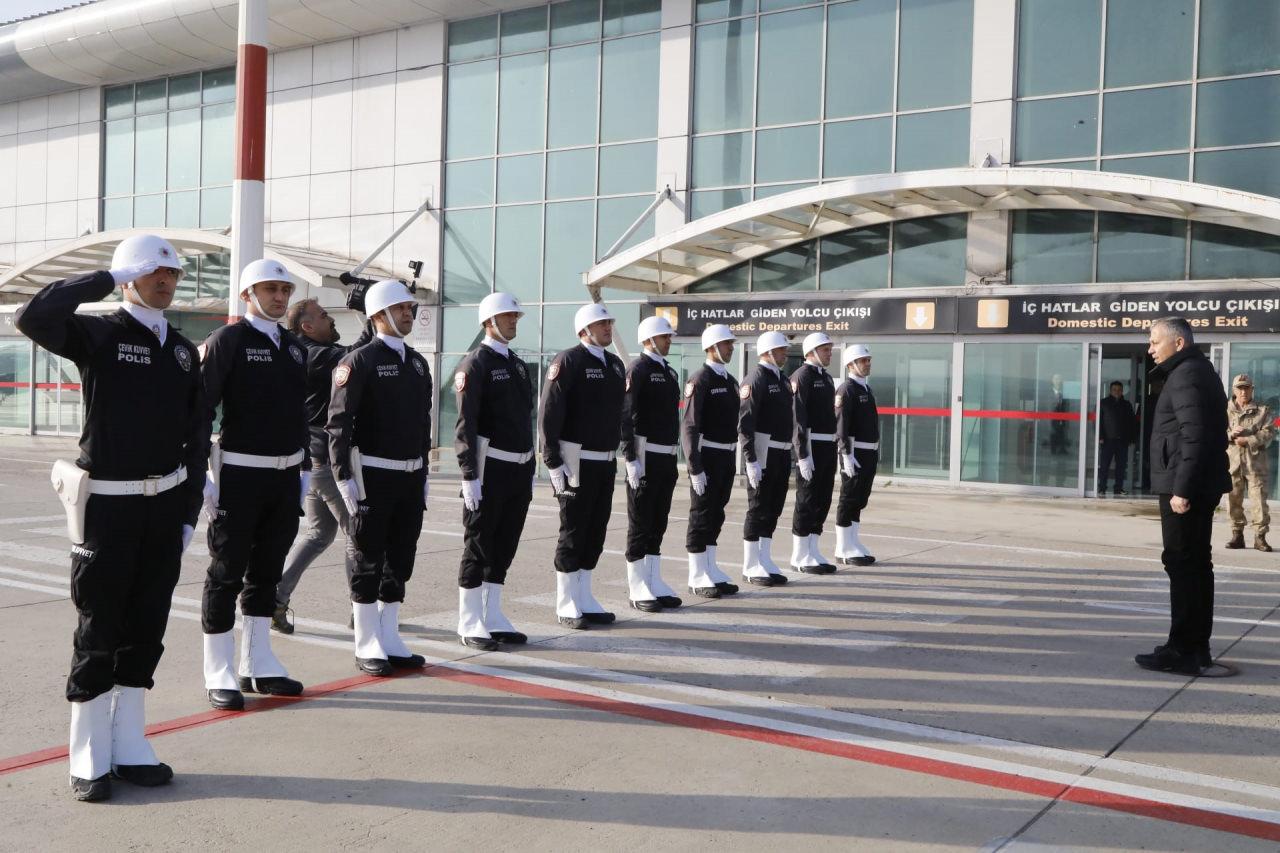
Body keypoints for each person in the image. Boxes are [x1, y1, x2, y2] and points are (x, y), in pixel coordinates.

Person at [16, 234, 204, 801]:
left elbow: (195, 436)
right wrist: (102, 276)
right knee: (100, 625)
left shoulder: (182, 349)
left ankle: (130, 745)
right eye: (152, 272)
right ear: (130, 277)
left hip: (164, 504)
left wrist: (188, 508)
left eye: (171, 273)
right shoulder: (100, 333)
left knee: (146, 626)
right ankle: (89, 754)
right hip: (109, 503)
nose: (165, 281)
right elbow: (34, 316)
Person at [199, 259, 309, 710]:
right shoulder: (228, 340)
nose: (280, 298)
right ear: (248, 295)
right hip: (239, 473)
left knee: (266, 570)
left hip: (285, 476)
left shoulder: (294, 347)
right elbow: (201, 408)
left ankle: (257, 660)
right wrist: (204, 474)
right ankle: (218, 668)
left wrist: (302, 470)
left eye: (284, 290)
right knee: (226, 572)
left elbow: (299, 413)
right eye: (270, 290)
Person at [328, 280, 432, 675]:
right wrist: (342, 475)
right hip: (372, 475)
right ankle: (367, 640)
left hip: (409, 477)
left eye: (410, 308)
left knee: (401, 557)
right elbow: (339, 423)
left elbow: (423, 422)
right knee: (368, 558)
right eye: (401, 308)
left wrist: (422, 469)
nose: (409, 313)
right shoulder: (358, 361)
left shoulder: (418, 363)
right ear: (378, 315)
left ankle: (390, 635)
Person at [1135, 317, 1231, 676]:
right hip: (1192, 483)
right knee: (1193, 566)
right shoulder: (1194, 370)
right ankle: (1193, 645)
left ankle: (1183, 651)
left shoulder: (1187, 374)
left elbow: (1195, 436)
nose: (1150, 349)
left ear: (1178, 343)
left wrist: (1182, 489)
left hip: (1186, 487)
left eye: (1154, 341)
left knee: (1183, 565)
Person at [272, 297, 372, 633]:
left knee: (319, 534)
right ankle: (361, 609)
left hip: (315, 458)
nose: (331, 320)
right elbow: (355, 356)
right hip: (325, 459)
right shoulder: (312, 355)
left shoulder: (306, 351)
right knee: (356, 533)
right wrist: (371, 314)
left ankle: (276, 596)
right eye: (325, 315)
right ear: (306, 326)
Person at [454, 293, 536, 650]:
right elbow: (465, 424)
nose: (513, 321)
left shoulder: (516, 363)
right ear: (489, 322)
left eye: (515, 316)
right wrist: (469, 475)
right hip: (490, 468)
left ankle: (492, 614)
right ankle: (469, 619)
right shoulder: (475, 364)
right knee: (479, 544)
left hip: (517, 467)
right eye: (507, 317)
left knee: (505, 544)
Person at [539, 303, 626, 628]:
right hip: (575, 460)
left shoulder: (616, 365)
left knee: (596, 531)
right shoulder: (569, 360)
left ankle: (585, 596)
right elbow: (550, 412)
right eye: (602, 323)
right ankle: (566, 603)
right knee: (573, 532)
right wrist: (553, 461)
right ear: (584, 329)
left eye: (609, 323)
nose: (608, 328)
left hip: (605, 461)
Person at [621, 316, 685, 611]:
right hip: (645, 456)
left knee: (658, 521)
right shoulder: (638, 369)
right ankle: (637, 585)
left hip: (666, 456)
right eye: (664, 337)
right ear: (648, 340)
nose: (668, 340)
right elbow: (626, 416)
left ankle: (653, 580)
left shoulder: (669, 373)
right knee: (641, 522)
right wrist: (631, 457)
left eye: (669, 337)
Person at [682, 324, 741, 598]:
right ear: (711, 347)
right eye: (727, 343)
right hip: (707, 456)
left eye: (731, 343)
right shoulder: (700, 380)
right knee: (702, 514)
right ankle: (697, 574)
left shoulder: (730, 381)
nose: (731, 347)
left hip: (726, 455)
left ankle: (711, 568)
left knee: (717, 513)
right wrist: (695, 466)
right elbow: (690, 426)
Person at [737, 331, 793, 587]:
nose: (785, 354)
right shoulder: (756, 378)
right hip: (763, 450)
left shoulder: (781, 378)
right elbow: (745, 423)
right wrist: (750, 460)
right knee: (758, 507)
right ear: (768, 352)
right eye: (781, 350)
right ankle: (750, 564)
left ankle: (765, 559)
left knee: (774, 507)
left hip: (781, 451)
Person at [789, 332, 838, 574]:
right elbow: (798, 419)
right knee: (806, 500)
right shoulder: (802, 377)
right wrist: (802, 455)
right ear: (811, 352)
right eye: (826, 349)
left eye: (830, 349)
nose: (830, 353)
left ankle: (813, 548)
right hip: (811, 446)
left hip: (828, 446)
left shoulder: (827, 379)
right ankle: (799, 554)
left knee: (823, 499)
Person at [833, 344, 879, 567]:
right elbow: (842, 425)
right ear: (851, 365)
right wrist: (845, 454)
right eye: (863, 360)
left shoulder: (865, 389)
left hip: (868, 452)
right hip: (855, 452)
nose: (867, 363)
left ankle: (853, 542)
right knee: (849, 498)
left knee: (860, 499)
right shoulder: (847, 389)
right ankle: (843, 547)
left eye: (868, 360)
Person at [1225, 373, 1274, 552]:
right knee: (1233, 501)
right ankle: (1237, 535)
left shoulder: (1262, 411)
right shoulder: (1226, 410)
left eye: (1247, 388)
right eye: (1240, 388)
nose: (1243, 392)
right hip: (1233, 463)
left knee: (1259, 502)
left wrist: (1249, 439)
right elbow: (1214, 432)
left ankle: (1260, 537)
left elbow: (1269, 432)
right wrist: (1231, 435)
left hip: (1255, 464)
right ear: (1234, 390)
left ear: (1252, 390)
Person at [1099, 381, 1136, 496]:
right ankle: (1102, 488)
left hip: (1122, 441)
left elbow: (1132, 423)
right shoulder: (1103, 403)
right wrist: (1100, 436)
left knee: (1121, 466)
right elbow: (1099, 422)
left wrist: (1131, 438)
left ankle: (1118, 488)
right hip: (1107, 440)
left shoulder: (1127, 405)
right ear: (1110, 390)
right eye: (1114, 389)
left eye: (1119, 390)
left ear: (1122, 391)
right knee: (1105, 465)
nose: (1117, 392)